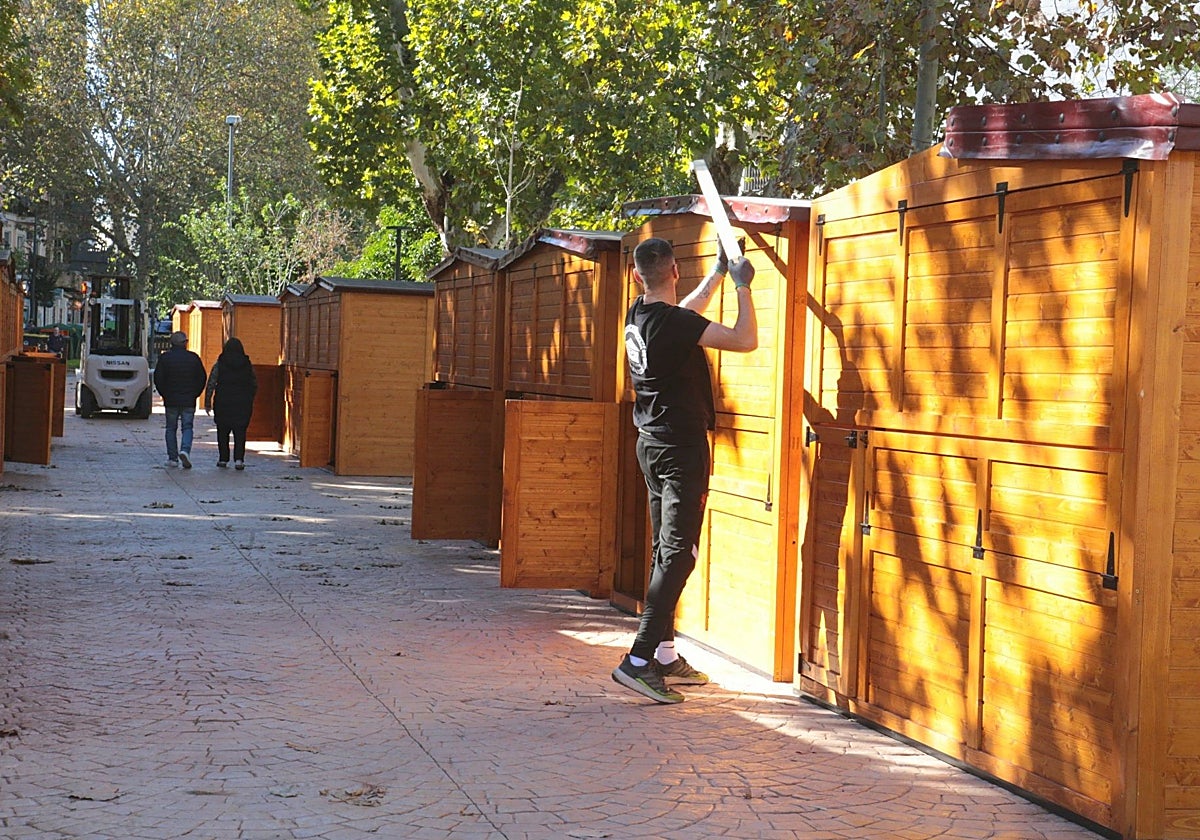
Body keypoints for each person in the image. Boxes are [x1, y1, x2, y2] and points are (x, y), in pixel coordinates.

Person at [612, 237, 758, 704]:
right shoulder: (674, 323)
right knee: (680, 555)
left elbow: (686, 317)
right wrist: (741, 287)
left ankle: (667, 655)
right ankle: (637, 661)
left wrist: (716, 274)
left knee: (663, 550)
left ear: (639, 276)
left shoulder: (639, 313)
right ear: (675, 271)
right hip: (680, 450)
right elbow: (744, 339)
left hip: (651, 446)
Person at [153, 331, 207, 469]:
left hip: (171, 399)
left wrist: (165, 394)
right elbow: (202, 378)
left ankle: (172, 458)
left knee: (171, 428)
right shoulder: (193, 358)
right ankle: (185, 450)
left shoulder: (165, 358)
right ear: (184, 343)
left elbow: (158, 378)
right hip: (188, 399)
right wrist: (195, 394)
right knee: (187, 427)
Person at [204, 337, 257, 470]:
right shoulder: (247, 364)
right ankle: (239, 459)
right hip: (242, 402)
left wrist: (207, 401)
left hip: (223, 401)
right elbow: (254, 383)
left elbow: (211, 382)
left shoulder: (220, 363)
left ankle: (223, 459)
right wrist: (250, 397)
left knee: (223, 431)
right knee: (240, 431)